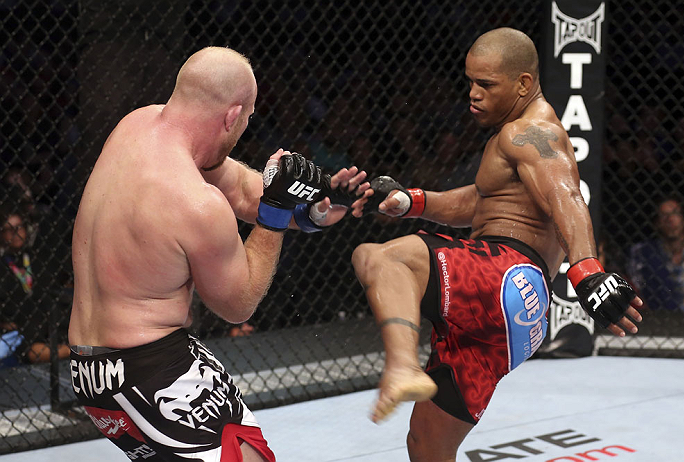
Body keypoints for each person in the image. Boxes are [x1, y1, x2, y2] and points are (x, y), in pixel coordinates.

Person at [350, 28, 643, 462]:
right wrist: (411, 201)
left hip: (504, 273)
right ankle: (406, 369)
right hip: (515, 316)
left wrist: (586, 270)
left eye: (486, 84)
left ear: (523, 83)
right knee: (428, 443)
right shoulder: (513, 137)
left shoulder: (531, 131)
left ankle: (401, 366)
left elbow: (565, 195)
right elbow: (480, 202)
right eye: (470, 81)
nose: (473, 95)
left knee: (382, 257)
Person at [68, 46, 369, 462]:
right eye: (246, 121)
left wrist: (312, 211)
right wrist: (276, 216)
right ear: (232, 115)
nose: (243, 130)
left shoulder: (135, 125)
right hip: (148, 371)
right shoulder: (197, 205)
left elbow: (244, 189)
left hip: (105, 369)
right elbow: (238, 305)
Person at [1, 203, 71, 365]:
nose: (16, 233)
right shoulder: (3, 268)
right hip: (21, 327)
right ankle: (71, 351)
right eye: (9, 229)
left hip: (47, 318)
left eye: (19, 227)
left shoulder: (38, 257)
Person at [628, 196, 684, 311]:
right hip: (655, 316)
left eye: (675, 213)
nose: (670, 219)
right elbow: (637, 289)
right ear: (657, 223)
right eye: (664, 215)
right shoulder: (643, 253)